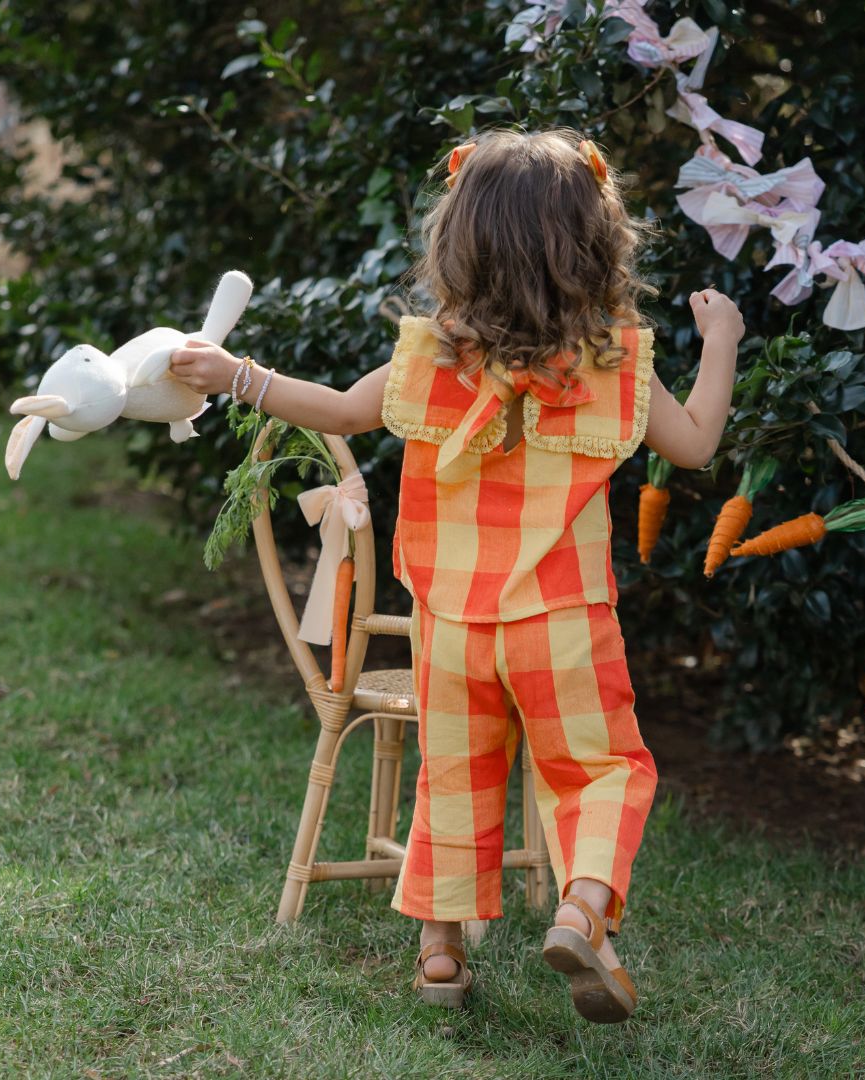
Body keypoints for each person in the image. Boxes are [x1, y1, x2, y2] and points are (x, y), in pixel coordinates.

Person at [169, 128, 744, 1021]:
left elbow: (339, 413)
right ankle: (584, 907)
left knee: (456, 773)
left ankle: (440, 958)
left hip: (452, 621)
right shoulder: (611, 360)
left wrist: (238, 374)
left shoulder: (431, 355)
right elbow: (698, 444)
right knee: (602, 768)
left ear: (460, 242)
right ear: (594, 244)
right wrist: (721, 338)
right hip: (563, 619)